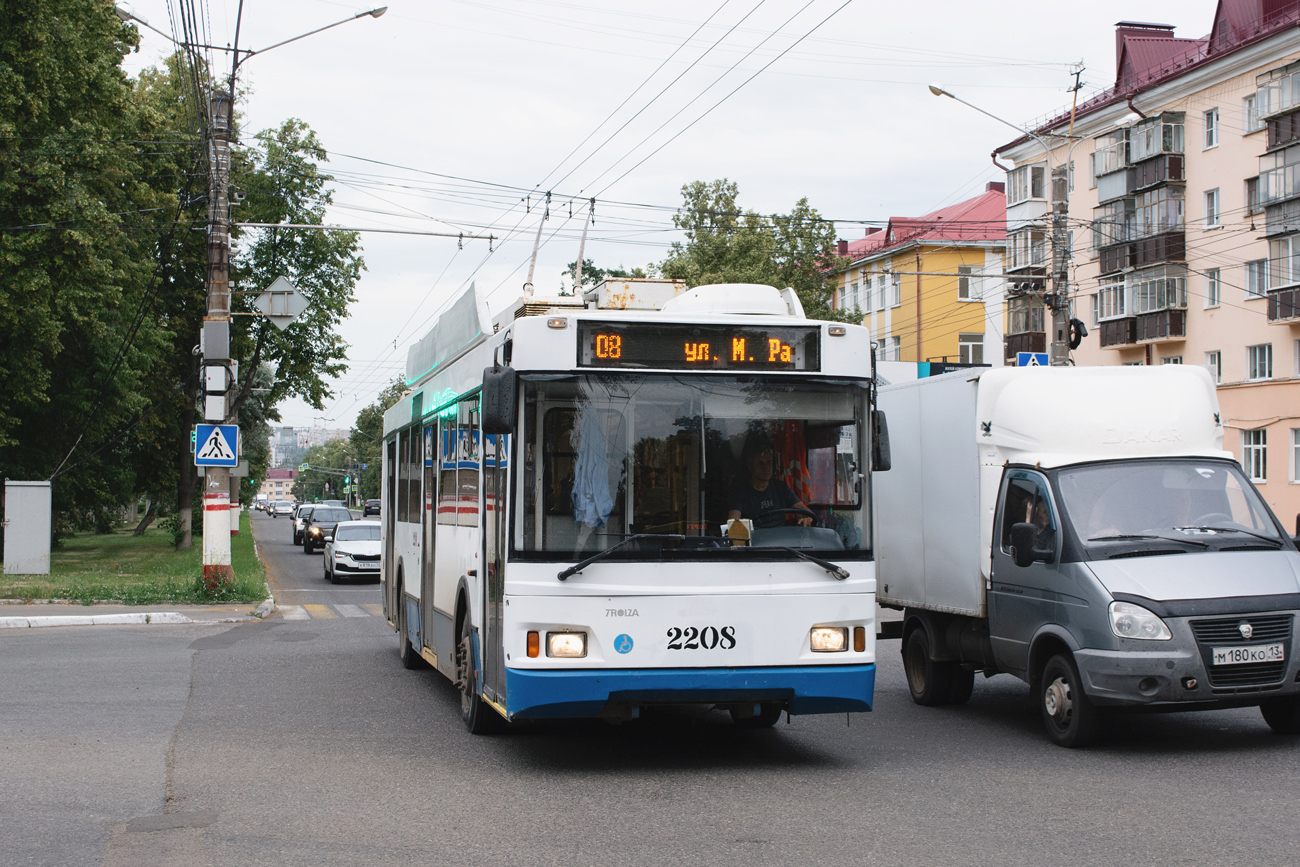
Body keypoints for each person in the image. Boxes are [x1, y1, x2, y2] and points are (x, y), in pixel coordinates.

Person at [727, 438, 813, 528]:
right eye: (760, 463)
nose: (766, 467)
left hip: (782, 537)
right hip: (757, 539)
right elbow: (733, 524)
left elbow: (802, 509)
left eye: (769, 462)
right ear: (750, 466)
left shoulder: (781, 487)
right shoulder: (740, 493)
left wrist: (806, 517)